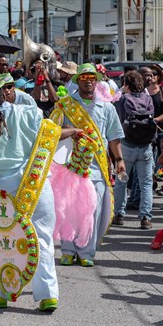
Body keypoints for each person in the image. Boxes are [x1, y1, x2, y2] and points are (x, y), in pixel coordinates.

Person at [0, 76, 61, 311]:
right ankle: (48, 296)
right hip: (36, 183)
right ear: (3, 93)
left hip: (3, 190)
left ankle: (0, 294)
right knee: (42, 239)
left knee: (3, 240)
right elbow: (50, 135)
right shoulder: (28, 113)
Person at [52, 63, 125, 267]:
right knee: (69, 209)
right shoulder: (65, 105)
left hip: (97, 167)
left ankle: (86, 251)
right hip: (70, 166)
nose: (89, 81)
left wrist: (119, 160)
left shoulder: (107, 107)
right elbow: (52, 131)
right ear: (77, 81)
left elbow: (114, 137)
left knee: (93, 210)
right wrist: (71, 131)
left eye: (92, 77)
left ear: (97, 80)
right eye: (84, 78)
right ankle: (67, 250)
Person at [112, 71, 155, 229]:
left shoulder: (123, 99)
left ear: (126, 85)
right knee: (146, 183)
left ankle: (119, 214)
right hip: (145, 146)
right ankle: (145, 217)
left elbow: (118, 121)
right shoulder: (148, 98)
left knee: (121, 180)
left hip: (127, 145)